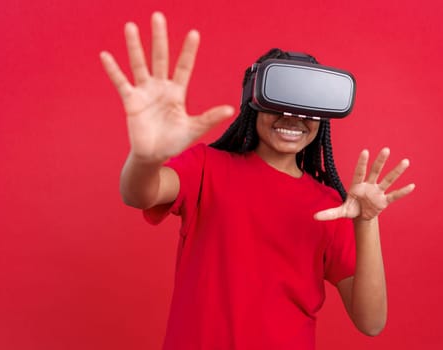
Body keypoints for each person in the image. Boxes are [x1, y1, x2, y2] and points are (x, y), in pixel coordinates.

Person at [100, 11, 415, 350]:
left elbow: (371, 322)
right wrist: (145, 156)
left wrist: (367, 223)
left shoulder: (331, 207)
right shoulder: (208, 167)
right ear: (253, 102)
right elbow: (139, 194)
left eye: (307, 107)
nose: (292, 117)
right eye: (279, 100)